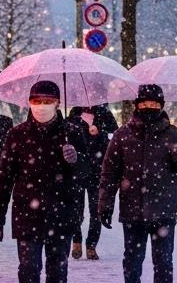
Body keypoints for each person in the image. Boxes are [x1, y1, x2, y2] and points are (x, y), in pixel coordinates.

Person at [98, 84, 177, 283]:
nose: (148, 107)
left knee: (163, 262)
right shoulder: (122, 135)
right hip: (133, 210)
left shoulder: (172, 134)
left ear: (160, 106)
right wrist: (105, 203)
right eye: (144, 103)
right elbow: (109, 173)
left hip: (164, 211)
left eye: (153, 103)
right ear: (137, 105)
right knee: (132, 262)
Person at [0, 81, 79, 283]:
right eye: (37, 101)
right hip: (27, 214)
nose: (41, 105)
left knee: (57, 273)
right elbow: (4, 177)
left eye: (47, 101)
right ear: (29, 103)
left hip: (61, 214)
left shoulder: (71, 133)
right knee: (28, 270)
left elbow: (88, 175)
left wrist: (76, 160)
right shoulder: (17, 135)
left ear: (57, 103)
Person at [65, 106, 110, 260]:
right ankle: (76, 241)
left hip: (97, 173)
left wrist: (99, 129)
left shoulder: (102, 113)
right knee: (76, 211)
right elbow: (67, 139)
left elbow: (113, 130)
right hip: (76, 173)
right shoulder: (73, 116)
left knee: (96, 212)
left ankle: (91, 245)